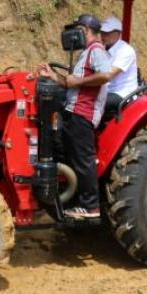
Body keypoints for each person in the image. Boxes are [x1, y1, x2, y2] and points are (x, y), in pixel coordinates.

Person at [37, 14, 112, 219]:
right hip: (72, 111)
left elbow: (105, 75)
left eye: (77, 29)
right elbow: (70, 83)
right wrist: (52, 76)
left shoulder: (96, 50)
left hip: (83, 113)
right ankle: (70, 198)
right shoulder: (85, 53)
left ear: (85, 30)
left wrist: (77, 81)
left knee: (83, 160)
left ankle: (91, 207)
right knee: (63, 151)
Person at [100, 16, 139, 116]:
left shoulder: (126, 50)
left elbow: (108, 75)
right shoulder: (103, 49)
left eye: (107, 33)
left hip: (121, 94)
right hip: (107, 91)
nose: (103, 36)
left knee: (89, 103)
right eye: (102, 32)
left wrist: (83, 81)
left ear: (118, 33)